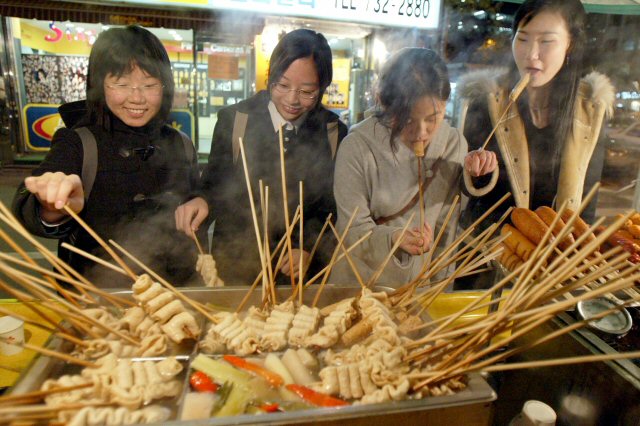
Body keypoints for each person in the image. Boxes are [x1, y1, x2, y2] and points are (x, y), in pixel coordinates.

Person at [12, 25, 200, 287]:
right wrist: (52, 205)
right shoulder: (78, 141)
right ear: (99, 85)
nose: (136, 98)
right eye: (121, 83)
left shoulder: (181, 143)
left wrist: (202, 201)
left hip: (174, 294)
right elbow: (31, 209)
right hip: (96, 295)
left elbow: (197, 198)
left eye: (149, 84)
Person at [175, 29, 348, 284]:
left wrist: (310, 248)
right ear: (271, 76)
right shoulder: (235, 120)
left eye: (307, 91)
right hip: (235, 271)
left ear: (322, 87)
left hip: (297, 278)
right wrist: (200, 201)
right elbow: (214, 185)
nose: (292, 99)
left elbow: (330, 209)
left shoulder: (332, 131)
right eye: (283, 85)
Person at [329, 48, 497, 287]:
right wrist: (393, 238)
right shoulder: (357, 147)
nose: (421, 132)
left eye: (433, 118)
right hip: (363, 282)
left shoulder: (452, 143)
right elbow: (351, 230)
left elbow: (449, 221)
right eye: (407, 119)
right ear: (382, 103)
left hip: (423, 283)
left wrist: (476, 174)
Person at [458, 0, 614, 228]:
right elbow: (465, 190)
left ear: (570, 44)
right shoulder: (488, 100)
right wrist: (476, 171)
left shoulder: (591, 109)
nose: (532, 54)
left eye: (547, 41)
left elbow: (587, 203)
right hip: (488, 251)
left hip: (556, 255)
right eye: (522, 39)